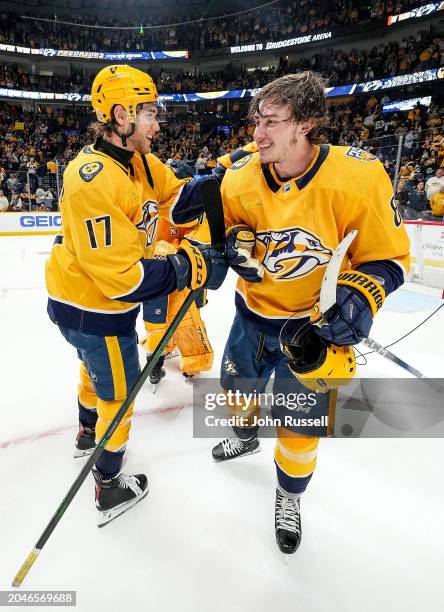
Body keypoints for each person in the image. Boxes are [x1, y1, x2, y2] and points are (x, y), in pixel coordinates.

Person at [211, 72, 410, 554]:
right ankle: (245, 437)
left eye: (273, 122)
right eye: (257, 120)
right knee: (236, 391)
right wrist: (231, 247)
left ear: (307, 124)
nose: (258, 133)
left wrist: (361, 298)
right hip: (252, 317)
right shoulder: (238, 178)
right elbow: (224, 241)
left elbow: (388, 258)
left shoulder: (358, 177)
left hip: (310, 331)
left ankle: (288, 494)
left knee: (299, 428)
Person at [45, 65, 227, 525]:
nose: (158, 123)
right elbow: (123, 278)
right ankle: (107, 485)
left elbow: (175, 196)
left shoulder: (141, 161)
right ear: (121, 114)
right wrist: (191, 265)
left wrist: (215, 186)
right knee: (120, 395)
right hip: (93, 306)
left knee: (92, 370)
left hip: (84, 301)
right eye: (149, 113)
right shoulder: (92, 178)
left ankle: (86, 433)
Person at [140, 160, 214, 386]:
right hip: (168, 271)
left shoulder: (190, 209)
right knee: (169, 321)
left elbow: (200, 242)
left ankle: (168, 362)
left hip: (175, 272)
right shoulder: (158, 203)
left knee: (171, 320)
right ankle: (176, 363)